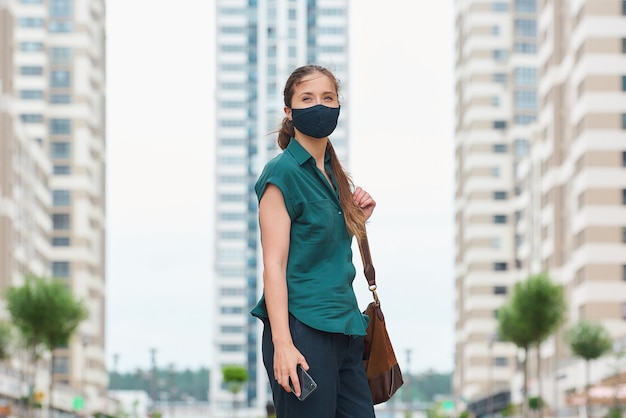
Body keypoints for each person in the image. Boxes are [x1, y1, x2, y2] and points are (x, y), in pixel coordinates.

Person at [251, 64, 377, 417]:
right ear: (289, 112)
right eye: (307, 98)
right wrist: (282, 344)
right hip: (303, 331)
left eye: (328, 97)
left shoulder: (335, 177)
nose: (319, 105)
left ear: (338, 106)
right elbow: (273, 266)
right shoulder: (282, 173)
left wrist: (353, 221)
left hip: (346, 328)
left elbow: (321, 253)